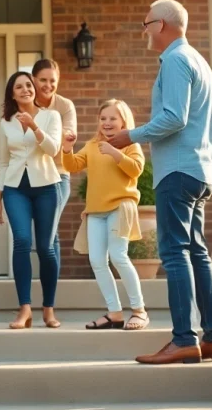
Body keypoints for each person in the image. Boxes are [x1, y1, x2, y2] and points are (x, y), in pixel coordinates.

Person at [108, 0, 212, 364]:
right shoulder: (198, 61)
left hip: (177, 172)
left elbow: (175, 117)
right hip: (199, 171)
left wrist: (131, 135)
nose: (144, 32)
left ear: (161, 24)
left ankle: (184, 340)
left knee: (175, 254)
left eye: (146, 24)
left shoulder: (175, 61)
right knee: (197, 254)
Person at [62, 99, 150, 331]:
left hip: (120, 207)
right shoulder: (92, 145)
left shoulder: (130, 144)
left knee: (119, 256)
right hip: (95, 212)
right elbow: (72, 166)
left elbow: (136, 169)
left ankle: (139, 311)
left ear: (123, 121)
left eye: (112, 118)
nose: (107, 123)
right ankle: (115, 313)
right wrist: (67, 148)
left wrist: (114, 152)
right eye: (103, 118)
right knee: (97, 261)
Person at [0, 72, 63, 329]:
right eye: (19, 87)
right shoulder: (6, 122)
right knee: (22, 242)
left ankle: (48, 310)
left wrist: (34, 125)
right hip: (15, 188)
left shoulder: (51, 116)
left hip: (46, 187)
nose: (25, 89)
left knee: (45, 248)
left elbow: (53, 150)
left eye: (28, 85)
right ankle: (24, 309)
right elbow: (4, 161)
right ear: (12, 94)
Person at [31, 59, 77, 271]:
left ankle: (51, 291)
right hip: (31, 174)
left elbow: (61, 143)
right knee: (49, 233)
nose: (48, 85)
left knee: (47, 235)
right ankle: (51, 292)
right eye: (43, 80)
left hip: (58, 175)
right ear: (33, 79)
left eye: (52, 80)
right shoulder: (26, 103)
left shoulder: (64, 106)